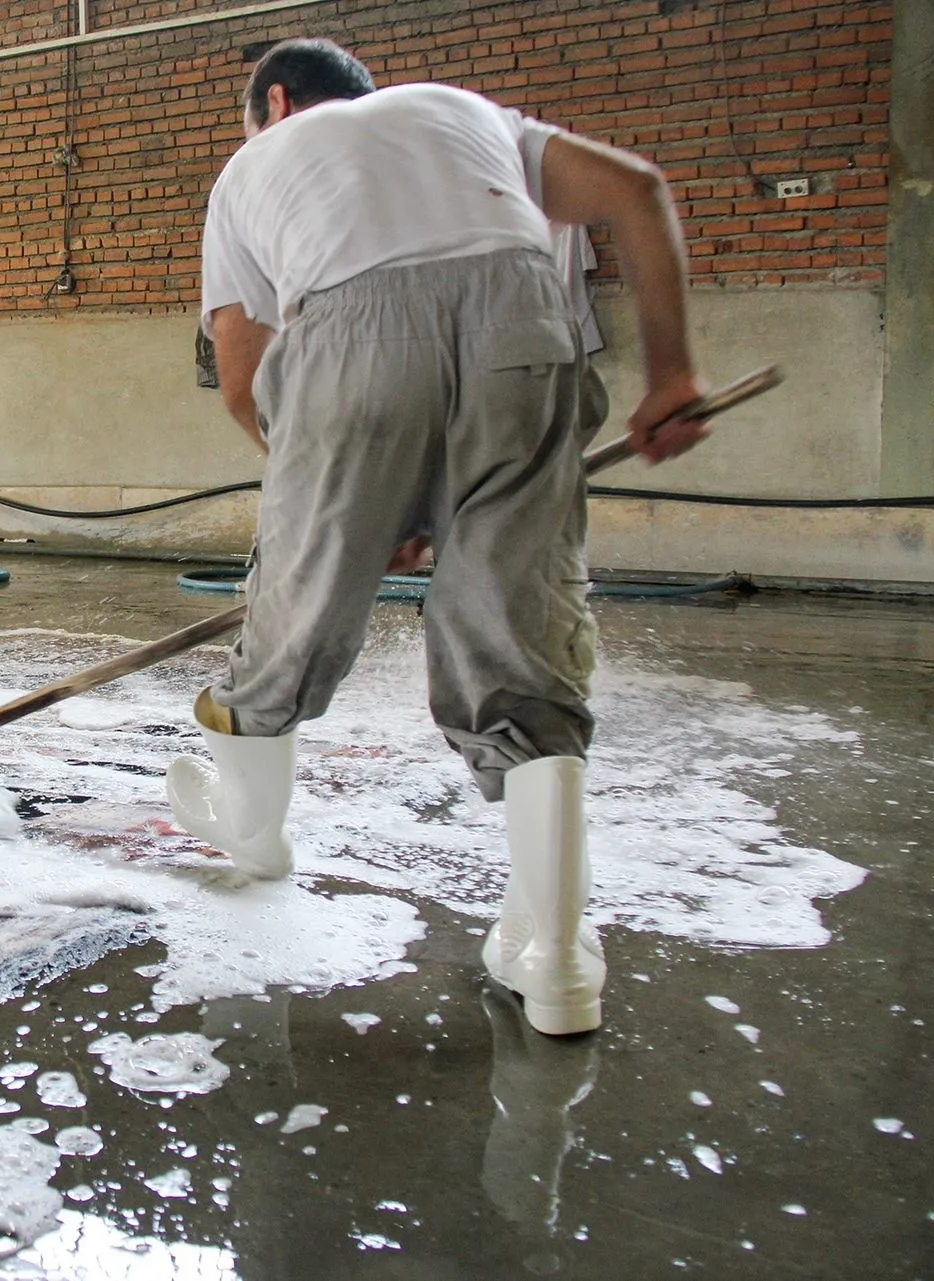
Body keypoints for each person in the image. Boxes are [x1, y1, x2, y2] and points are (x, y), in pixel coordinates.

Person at [169, 39, 707, 1036]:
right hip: (522, 321)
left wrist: (355, 510)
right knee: (520, 643)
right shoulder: (466, 112)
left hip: (347, 333)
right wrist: (670, 375)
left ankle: (253, 840)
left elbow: (248, 386)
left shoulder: (251, 168)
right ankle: (554, 964)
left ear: (275, 102)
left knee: (294, 616)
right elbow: (637, 189)